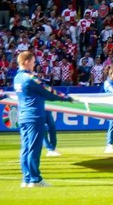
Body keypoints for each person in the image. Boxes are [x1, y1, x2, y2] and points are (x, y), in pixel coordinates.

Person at [13, 50, 74, 187]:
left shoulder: (17, 78)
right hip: (34, 115)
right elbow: (49, 91)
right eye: (33, 62)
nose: (34, 65)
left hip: (23, 116)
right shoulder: (30, 78)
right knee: (34, 148)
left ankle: (26, 178)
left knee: (25, 148)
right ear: (27, 62)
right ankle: (35, 179)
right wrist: (66, 98)